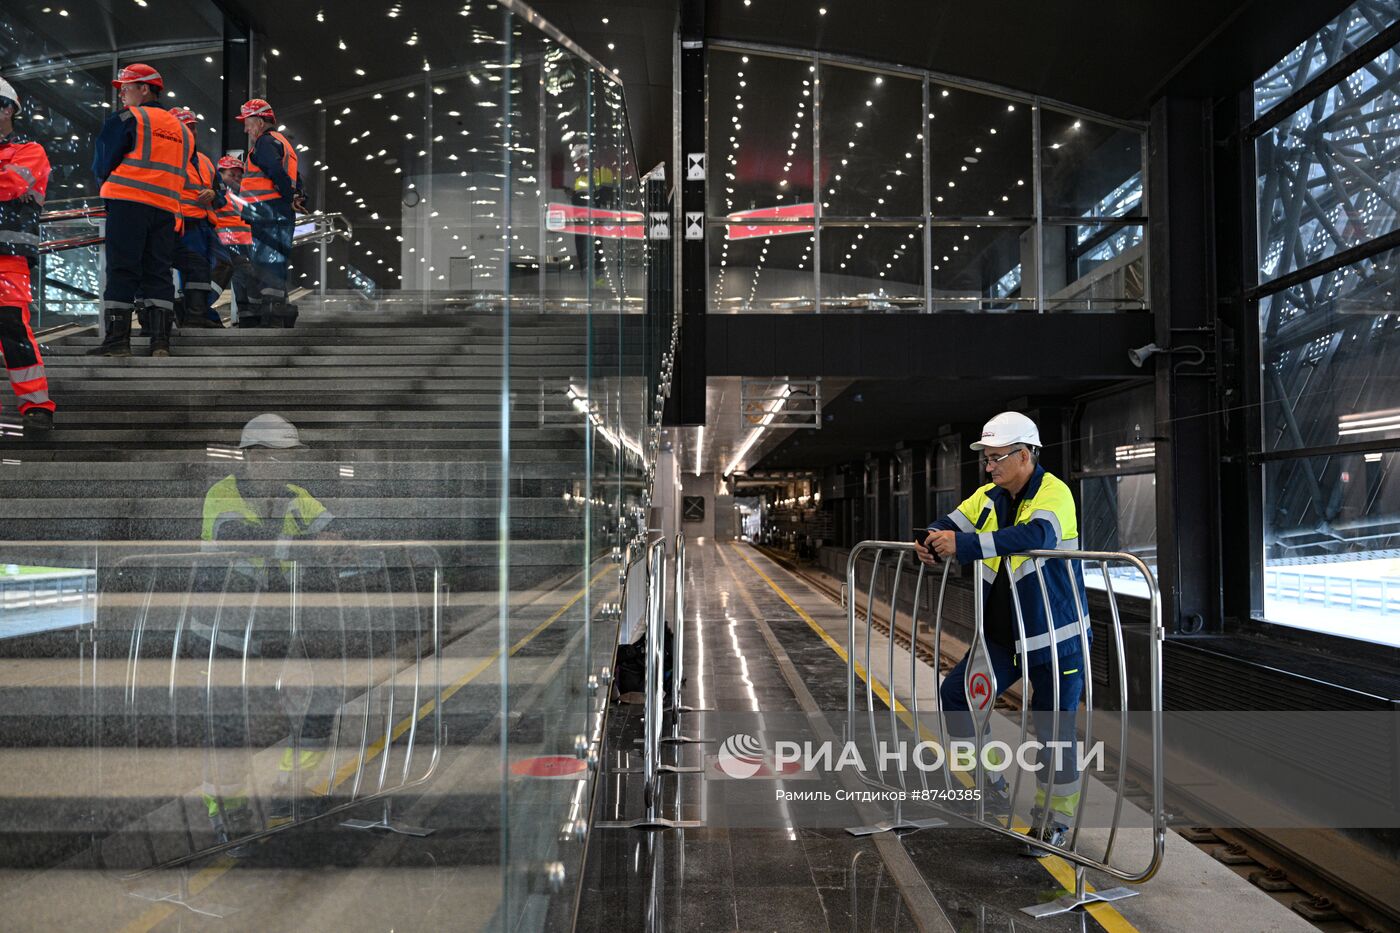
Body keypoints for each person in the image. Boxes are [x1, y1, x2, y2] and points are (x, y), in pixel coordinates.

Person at [914, 411, 1090, 857]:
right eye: (987, 459)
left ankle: (1055, 822)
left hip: (1055, 636)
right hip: (1005, 636)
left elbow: (1035, 534)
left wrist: (966, 547)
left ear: (1025, 455)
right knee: (957, 698)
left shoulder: (1056, 493)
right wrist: (931, 539)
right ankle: (990, 784)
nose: (989, 467)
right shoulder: (989, 497)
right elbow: (950, 522)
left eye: (996, 458)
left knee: (1054, 732)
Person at [195, 414, 343, 848]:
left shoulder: (297, 497)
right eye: (282, 457)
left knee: (321, 700)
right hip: (224, 634)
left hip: (275, 629)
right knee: (228, 728)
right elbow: (244, 538)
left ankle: (291, 789)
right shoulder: (220, 496)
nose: (290, 466)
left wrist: (326, 543)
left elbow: (332, 536)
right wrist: (307, 546)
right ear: (255, 458)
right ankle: (228, 814)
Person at [90, 63, 196, 357]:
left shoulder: (128, 117)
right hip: (165, 209)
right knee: (159, 274)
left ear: (145, 89)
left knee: (123, 269)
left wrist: (107, 184)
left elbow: (102, 162)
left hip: (128, 203)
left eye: (126, 88)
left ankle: (117, 341)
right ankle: (160, 341)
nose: (122, 95)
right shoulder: (183, 130)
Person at [0, 76, 55, 433]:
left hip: (7, 256)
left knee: (11, 327)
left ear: (7, 109)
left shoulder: (30, 151)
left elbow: (11, 184)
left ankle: (36, 404)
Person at [236, 99, 305, 328]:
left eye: (248, 123)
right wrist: (296, 197)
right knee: (275, 264)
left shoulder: (265, 143)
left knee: (267, 266)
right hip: (278, 212)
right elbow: (297, 179)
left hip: (267, 212)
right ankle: (280, 317)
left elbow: (275, 171)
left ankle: (271, 321)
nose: (246, 129)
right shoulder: (283, 143)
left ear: (260, 121)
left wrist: (287, 197)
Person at [169, 107, 224, 328]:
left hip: (204, 224)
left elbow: (221, 194)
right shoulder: (169, 157)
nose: (191, 132)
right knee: (193, 270)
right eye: (186, 127)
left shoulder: (204, 160)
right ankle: (194, 314)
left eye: (193, 127)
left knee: (219, 266)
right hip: (182, 224)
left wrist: (213, 194)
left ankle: (197, 312)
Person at [211, 156, 253, 323]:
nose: (236, 178)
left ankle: (246, 317)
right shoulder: (217, 193)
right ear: (220, 173)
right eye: (231, 174)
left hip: (244, 244)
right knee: (220, 279)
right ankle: (198, 309)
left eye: (239, 175)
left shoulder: (243, 195)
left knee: (243, 280)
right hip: (223, 244)